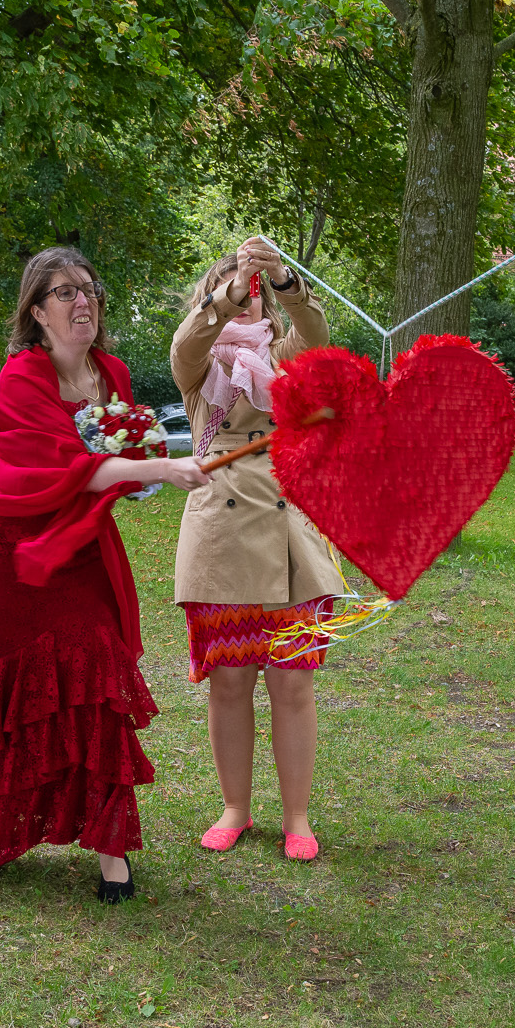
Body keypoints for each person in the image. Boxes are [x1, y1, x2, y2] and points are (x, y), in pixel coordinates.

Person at [0, 247, 210, 898]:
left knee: (97, 676)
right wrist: (158, 467)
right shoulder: (21, 378)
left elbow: (126, 454)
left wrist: (167, 457)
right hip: (3, 556)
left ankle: (112, 851)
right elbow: (72, 465)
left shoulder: (110, 372)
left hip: (78, 551)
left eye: (88, 289)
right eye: (64, 292)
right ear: (36, 312)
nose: (82, 300)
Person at [171, 238, 341, 861]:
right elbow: (187, 343)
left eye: (254, 296)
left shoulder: (286, 357)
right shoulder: (198, 366)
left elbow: (316, 335)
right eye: (236, 295)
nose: (246, 302)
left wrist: (283, 279)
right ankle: (235, 808)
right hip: (222, 539)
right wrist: (228, 290)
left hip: (290, 535)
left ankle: (297, 816)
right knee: (229, 684)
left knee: (294, 686)